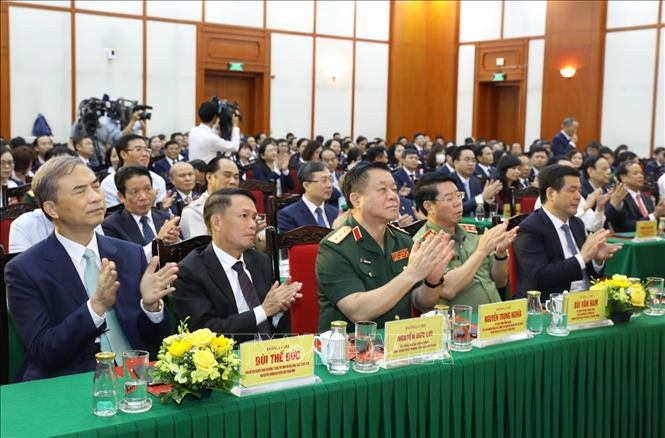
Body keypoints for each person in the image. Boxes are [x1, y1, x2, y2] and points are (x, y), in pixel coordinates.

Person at [4, 156, 177, 381]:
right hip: (71, 380)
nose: (96, 197)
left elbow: (158, 341)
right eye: (80, 191)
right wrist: (95, 308)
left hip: (137, 375)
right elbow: (44, 351)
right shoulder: (25, 270)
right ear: (52, 209)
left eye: (95, 187)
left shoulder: (129, 253)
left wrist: (151, 307)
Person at [316, 162, 455, 331]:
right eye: (382, 190)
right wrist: (411, 274)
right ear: (357, 200)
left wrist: (432, 281)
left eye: (394, 189)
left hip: (401, 339)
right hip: (354, 343)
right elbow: (358, 312)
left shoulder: (402, 240)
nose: (393, 196)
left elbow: (421, 303)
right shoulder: (334, 248)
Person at [174, 188, 302, 342]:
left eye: (254, 217)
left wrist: (279, 309)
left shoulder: (260, 260)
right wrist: (263, 310)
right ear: (217, 223)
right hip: (229, 354)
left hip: (270, 350)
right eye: (244, 216)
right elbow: (203, 332)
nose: (253, 225)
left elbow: (273, 322)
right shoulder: (190, 271)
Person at [513, 165, 622, 299]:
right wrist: (582, 257)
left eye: (579, 190)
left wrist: (596, 259)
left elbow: (588, 274)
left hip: (586, 301)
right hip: (550, 303)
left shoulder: (577, 223)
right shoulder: (530, 228)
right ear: (551, 194)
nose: (578, 197)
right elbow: (539, 277)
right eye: (572, 190)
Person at [413, 173, 517, 309]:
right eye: (449, 198)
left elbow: (500, 281)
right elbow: (448, 290)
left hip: (495, 315)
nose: (458, 203)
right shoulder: (424, 244)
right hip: (461, 320)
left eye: (458, 195)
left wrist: (500, 253)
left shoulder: (471, 233)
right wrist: (481, 252)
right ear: (428, 206)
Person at [102, 166, 180, 261]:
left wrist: (176, 242)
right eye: (135, 192)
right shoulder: (111, 226)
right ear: (121, 196)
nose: (143, 197)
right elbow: (124, 262)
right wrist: (157, 243)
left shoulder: (165, 218)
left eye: (148, 189)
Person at [100, 134, 168, 208]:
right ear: (123, 154)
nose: (145, 154)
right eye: (138, 149)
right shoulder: (109, 183)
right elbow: (114, 213)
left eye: (146, 150)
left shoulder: (158, 180)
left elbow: (163, 210)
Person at [181, 157, 240, 239]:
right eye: (227, 175)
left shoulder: (241, 206)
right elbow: (202, 246)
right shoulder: (195, 211)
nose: (233, 181)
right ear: (209, 177)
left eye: (236, 177)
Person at [277, 162, 338, 232]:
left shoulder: (335, 212)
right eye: (324, 181)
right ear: (306, 186)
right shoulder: (288, 215)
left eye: (331, 180)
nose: (329, 185)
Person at [608, 162, 665, 232]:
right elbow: (625, 226)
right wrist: (655, 215)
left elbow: (654, 220)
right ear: (623, 178)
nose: (640, 176)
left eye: (641, 173)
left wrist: (660, 212)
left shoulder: (646, 198)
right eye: (635, 173)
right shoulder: (619, 198)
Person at [451, 145, 501, 216]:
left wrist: (488, 198)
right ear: (456, 163)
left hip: (475, 221)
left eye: (473, 160)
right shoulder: (450, 182)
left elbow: (479, 207)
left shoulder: (475, 181)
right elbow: (459, 207)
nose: (471, 163)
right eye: (467, 160)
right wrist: (482, 197)